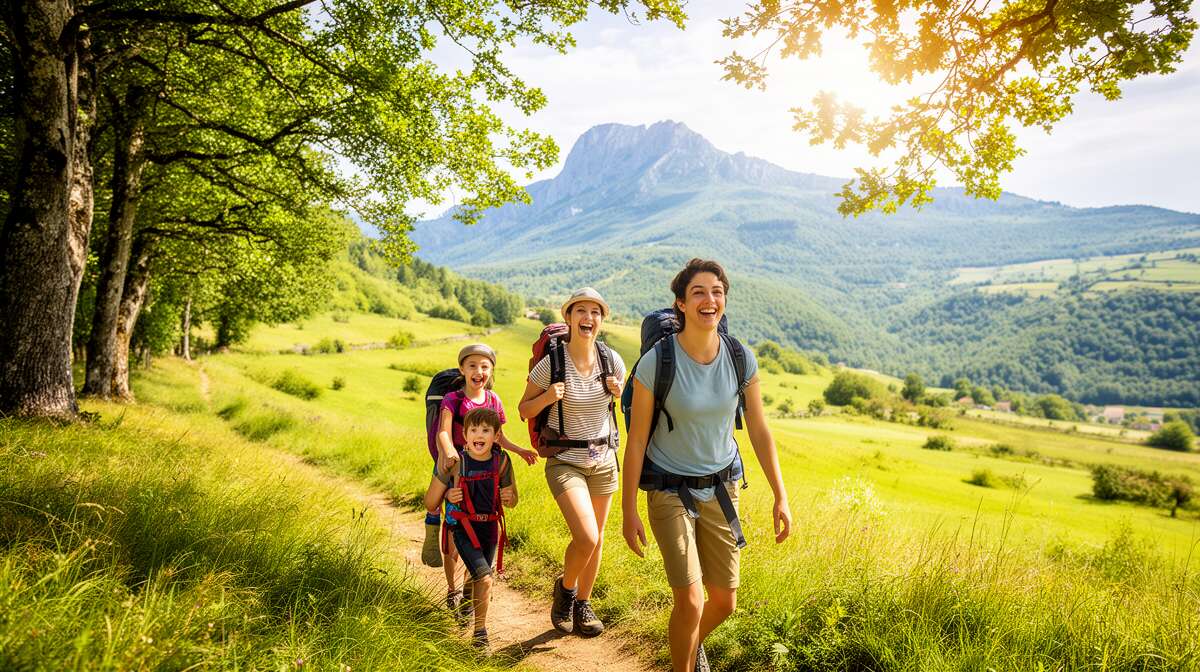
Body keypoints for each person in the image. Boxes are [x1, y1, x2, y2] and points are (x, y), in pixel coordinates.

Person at [620, 259, 791, 672]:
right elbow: (638, 439)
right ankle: (684, 660)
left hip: (721, 489)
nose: (709, 299)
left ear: (724, 300)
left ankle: (689, 641)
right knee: (691, 600)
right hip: (669, 490)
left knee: (724, 602)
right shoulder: (656, 363)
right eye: (698, 292)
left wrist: (780, 495)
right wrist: (627, 510)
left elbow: (759, 430)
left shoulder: (739, 357)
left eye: (717, 291)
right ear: (680, 303)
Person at [518, 287, 626, 637]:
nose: (588, 318)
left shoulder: (612, 361)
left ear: (601, 321)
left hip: (604, 459)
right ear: (568, 318)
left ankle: (583, 604)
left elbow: (621, 406)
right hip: (565, 461)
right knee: (586, 535)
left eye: (595, 312)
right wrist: (548, 396)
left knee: (597, 539)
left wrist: (619, 392)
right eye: (581, 311)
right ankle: (566, 591)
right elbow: (524, 410)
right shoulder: (553, 363)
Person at [421, 343, 536, 618]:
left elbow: (500, 437)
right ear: (462, 369)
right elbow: (443, 433)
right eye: (472, 365)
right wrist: (449, 452)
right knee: (454, 530)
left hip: (485, 476)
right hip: (457, 471)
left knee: (481, 529)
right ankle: (453, 590)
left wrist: (519, 451)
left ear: (491, 371)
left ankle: (471, 589)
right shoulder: (452, 399)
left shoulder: (493, 400)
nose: (479, 371)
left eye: (485, 366)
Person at [424, 407, 517, 650]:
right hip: (463, 529)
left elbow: (514, 498)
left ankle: (466, 598)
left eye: (486, 430)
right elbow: (430, 502)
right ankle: (480, 636)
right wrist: (448, 493)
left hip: (490, 530)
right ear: (464, 434)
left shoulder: (503, 461)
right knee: (485, 578)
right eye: (474, 429)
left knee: (477, 578)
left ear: (496, 436)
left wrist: (510, 497)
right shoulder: (455, 463)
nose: (479, 434)